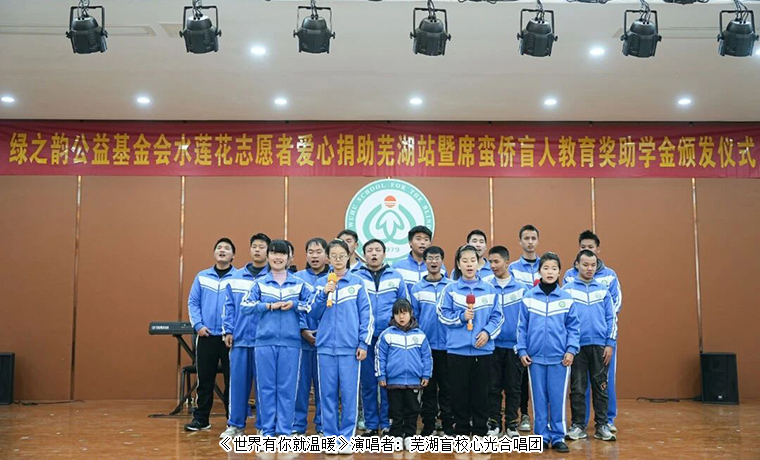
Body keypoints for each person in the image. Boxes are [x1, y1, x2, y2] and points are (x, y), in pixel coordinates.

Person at [303, 239, 373, 452]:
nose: (338, 259)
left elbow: (366, 315)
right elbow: (312, 314)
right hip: (325, 348)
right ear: (328, 259)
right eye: (333, 256)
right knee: (327, 395)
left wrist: (363, 343)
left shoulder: (358, 283)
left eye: (342, 255)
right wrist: (324, 293)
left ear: (348, 256)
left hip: (350, 349)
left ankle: (346, 439)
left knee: (349, 395)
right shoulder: (321, 284)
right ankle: (330, 438)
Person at [240, 240, 313, 437]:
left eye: (282, 254)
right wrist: (268, 306)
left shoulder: (299, 284)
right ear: (268, 256)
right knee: (266, 388)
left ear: (289, 258)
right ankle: (267, 430)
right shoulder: (260, 283)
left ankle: (284, 431)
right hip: (264, 343)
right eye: (274, 253)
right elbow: (245, 306)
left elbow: (313, 304)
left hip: (291, 343)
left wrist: (295, 305)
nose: (277, 257)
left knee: (288, 388)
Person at [437, 245, 504, 437]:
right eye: (464, 261)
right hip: (457, 351)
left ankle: (480, 431)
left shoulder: (489, 289)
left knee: (481, 394)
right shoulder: (450, 289)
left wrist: (487, 333)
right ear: (458, 264)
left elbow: (498, 317)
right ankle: (462, 431)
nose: (469, 264)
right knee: (458, 394)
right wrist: (461, 317)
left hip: (483, 351)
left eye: (473, 260)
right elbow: (442, 314)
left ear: (478, 264)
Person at [517, 252, 580, 453]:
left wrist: (571, 350)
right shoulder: (528, 297)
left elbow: (573, 328)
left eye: (554, 268)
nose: (550, 272)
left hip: (560, 359)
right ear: (539, 271)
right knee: (539, 399)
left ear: (560, 272)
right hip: (534, 359)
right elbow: (521, 327)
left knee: (558, 399)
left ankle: (558, 436)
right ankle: (541, 437)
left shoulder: (566, 299)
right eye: (546, 268)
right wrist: (522, 350)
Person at [563, 230, 623, 433]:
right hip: (577, 344)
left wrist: (608, 339)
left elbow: (613, 309)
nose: (589, 267)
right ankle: (579, 424)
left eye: (591, 247)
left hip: (601, 341)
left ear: (598, 250)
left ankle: (606, 421)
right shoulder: (569, 279)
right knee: (578, 386)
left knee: (603, 384)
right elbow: (566, 311)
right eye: (583, 247)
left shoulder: (608, 279)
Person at [220, 233, 271, 438]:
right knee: (238, 385)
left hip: (264, 342)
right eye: (254, 246)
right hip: (240, 340)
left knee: (264, 386)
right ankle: (235, 425)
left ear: (268, 251)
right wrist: (228, 330)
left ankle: (263, 426)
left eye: (262, 247)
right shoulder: (235, 278)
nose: (257, 250)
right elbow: (228, 306)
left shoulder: (273, 278)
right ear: (250, 250)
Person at [356, 239, 408, 436]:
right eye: (370, 250)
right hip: (365, 338)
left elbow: (405, 305)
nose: (374, 253)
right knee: (368, 382)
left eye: (378, 250)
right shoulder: (356, 277)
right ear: (364, 255)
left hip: (390, 338)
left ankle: (386, 423)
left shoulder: (396, 276)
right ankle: (371, 424)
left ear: (384, 254)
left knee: (388, 382)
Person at [184, 237, 236, 432]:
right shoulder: (202, 276)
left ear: (233, 255)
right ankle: (201, 419)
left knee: (232, 381)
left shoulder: (239, 278)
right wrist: (198, 325)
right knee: (204, 380)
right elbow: (193, 302)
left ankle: (233, 421)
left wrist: (233, 330)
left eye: (227, 248)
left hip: (230, 338)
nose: (222, 250)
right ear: (214, 253)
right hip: (206, 336)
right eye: (219, 247)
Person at [376, 299, 432, 451]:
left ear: (411, 313)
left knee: (412, 409)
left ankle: (410, 436)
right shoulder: (387, 335)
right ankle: (396, 435)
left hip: (414, 381)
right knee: (395, 410)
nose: (401, 317)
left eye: (404, 313)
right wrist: (381, 375)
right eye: (397, 313)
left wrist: (426, 375)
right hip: (393, 381)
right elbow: (380, 356)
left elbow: (427, 357)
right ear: (393, 315)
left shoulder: (420, 335)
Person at [485, 245, 529, 438]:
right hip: (491, 347)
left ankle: (511, 424)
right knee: (492, 388)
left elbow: (527, 320)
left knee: (513, 388)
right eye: (490, 262)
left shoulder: (522, 289)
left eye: (496, 261)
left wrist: (523, 345)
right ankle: (494, 424)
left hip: (514, 348)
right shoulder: (486, 287)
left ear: (507, 262)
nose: (493, 265)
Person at [410, 246, 454, 437]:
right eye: (430, 258)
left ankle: (448, 425)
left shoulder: (451, 287)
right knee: (427, 388)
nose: (433, 261)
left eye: (437, 258)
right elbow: (414, 317)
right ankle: (428, 425)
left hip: (448, 346)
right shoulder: (417, 288)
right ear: (425, 261)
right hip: (426, 347)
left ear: (442, 261)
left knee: (447, 388)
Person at [293, 237, 330, 435]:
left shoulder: (335, 278)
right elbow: (294, 308)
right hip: (301, 342)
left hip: (326, 342)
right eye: (310, 252)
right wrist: (303, 330)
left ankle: (323, 425)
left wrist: (325, 332)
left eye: (319, 252)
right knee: (300, 386)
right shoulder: (296, 278)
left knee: (325, 387)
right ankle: (298, 425)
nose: (314, 256)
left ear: (327, 255)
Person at [508, 224, 541, 431]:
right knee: (519, 377)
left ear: (538, 241)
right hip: (520, 328)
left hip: (540, 330)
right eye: (526, 238)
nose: (530, 242)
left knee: (538, 375)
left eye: (533, 238)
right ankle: (524, 414)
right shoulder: (512, 268)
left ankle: (541, 415)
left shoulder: (546, 265)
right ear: (520, 242)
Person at [393, 225, 446, 291]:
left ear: (430, 243)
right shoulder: (398, 267)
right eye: (418, 239)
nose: (422, 242)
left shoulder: (440, 267)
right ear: (410, 242)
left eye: (426, 240)